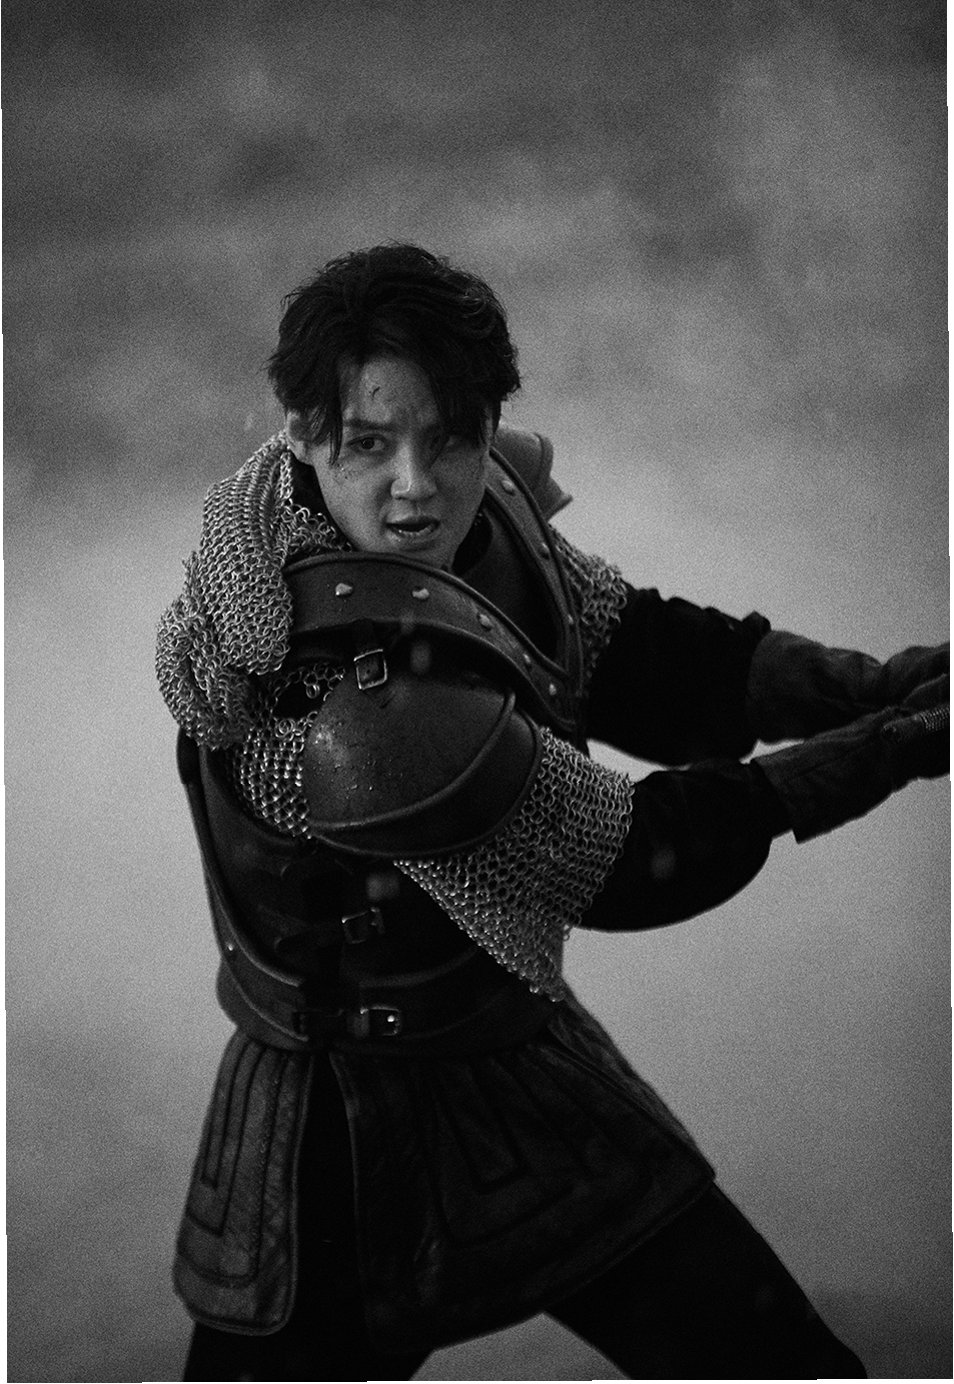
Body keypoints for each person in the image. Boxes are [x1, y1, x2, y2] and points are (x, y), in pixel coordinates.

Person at [156, 243, 948, 1382]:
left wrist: (874, 684)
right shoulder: (324, 690)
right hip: (331, 1135)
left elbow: (630, 648)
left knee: (779, 1367)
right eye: (369, 445)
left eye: (449, 438)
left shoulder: (471, 517)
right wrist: (893, 747)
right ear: (304, 435)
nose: (416, 486)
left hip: (511, 1056)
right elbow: (626, 859)